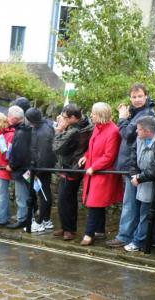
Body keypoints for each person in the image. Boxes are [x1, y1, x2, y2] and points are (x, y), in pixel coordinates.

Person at [107, 83, 155, 248]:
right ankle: (137, 236)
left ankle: (125, 236)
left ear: (146, 96)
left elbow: (127, 135)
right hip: (132, 164)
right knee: (135, 203)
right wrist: (127, 118)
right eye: (134, 97)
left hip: (134, 166)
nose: (136, 99)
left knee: (130, 203)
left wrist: (122, 118)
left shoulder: (145, 114)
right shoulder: (138, 114)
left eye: (140, 96)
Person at [123, 116, 155, 252]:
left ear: (147, 131)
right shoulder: (142, 137)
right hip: (143, 179)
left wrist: (139, 178)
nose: (136, 132)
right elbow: (133, 155)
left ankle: (138, 242)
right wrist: (134, 173)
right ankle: (153, 240)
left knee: (147, 212)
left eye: (138, 130)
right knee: (151, 213)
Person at [78, 102, 123, 246]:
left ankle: (89, 234)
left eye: (94, 113)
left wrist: (94, 167)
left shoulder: (113, 131)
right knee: (97, 203)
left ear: (101, 115)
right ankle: (100, 230)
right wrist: (85, 156)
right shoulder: (97, 128)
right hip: (95, 172)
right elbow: (92, 147)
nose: (91, 115)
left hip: (103, 173)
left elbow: (109, 155)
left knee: (94, 203)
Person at [52, 104, 93, 241]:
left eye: (65, 117)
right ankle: (66, 227)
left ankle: (69, 230)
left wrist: (59, 130)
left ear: (74, 117)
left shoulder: (75, 130)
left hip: (71, 168)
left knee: (66, 199)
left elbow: (57, 148)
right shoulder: (84, 125)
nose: (62, 119)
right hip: (71, 166)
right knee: (66, 200)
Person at [25, 107, 56, 232]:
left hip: (42, 168)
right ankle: (47, 220)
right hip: (42, 167)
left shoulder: (43, 131)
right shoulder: (44, 126)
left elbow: (43, 154)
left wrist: (36, 172)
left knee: (44, 195)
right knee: (43, 193)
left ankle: (39, 223)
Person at [5, 105, 32, 229]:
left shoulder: (20, 133)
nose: (7, 118)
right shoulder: (25, 130)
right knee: (26, 194)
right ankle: (27, 218)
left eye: (9, 116)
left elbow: (19, 152)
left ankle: (22, 219)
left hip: (20, 170)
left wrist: (11, 165)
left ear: (15, 118)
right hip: (26, 169)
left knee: (21, 196)